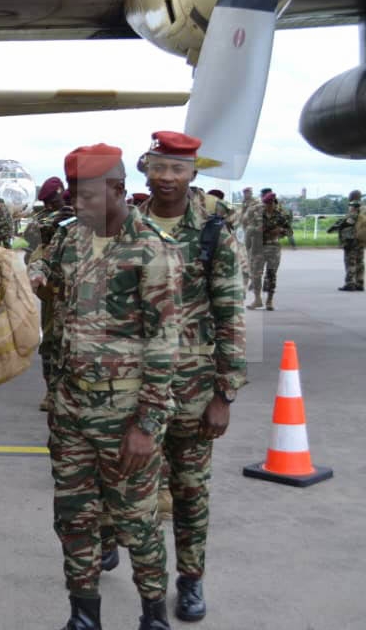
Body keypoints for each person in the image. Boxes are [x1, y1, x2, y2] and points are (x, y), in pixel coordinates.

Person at [30, 143, 182, 630]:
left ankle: (153, 615)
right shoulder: (70, 237)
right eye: (73, 194)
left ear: (118, 189)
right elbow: (43, 266)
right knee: (74, 517)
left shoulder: (151, 248)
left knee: (137, 522)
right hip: (70, 409)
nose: (77, 204)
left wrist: (147, 424)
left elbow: (164, 343)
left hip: (125, 415)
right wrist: (31, 276)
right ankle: (83, 615)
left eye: (88, 196)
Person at [137, 131, 246, 622]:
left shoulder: (212, 232)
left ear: (193, 173)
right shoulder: (130, 227)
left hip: (194, 391)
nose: (167, 177)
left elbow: (231, 317)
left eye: (177, 169)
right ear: (146, 168)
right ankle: (148, 585)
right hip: (138, 389)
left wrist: (224, 394)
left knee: (190, 491)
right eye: (159, 166)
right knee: (135, 490)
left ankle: (191, 579)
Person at [24, 177, 75, 412]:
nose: (53, 206)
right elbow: (30, 246)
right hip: (53, 290)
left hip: (82, 294)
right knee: (51, 342)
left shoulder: (90, 218)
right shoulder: (46, 220)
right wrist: (55, 225)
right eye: (49, 203)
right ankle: (51, 392)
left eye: (56, 201)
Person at [251, 191, 294, 311]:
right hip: (259, 248)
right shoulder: (258, 215)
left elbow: (290, 232)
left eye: (271, 203)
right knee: (256, 274)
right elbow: (250, 229)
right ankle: (257, 299)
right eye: (267, 204)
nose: (269, 206)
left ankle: (269, 300)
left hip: (274, 248)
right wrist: (257, 230)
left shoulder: (280, 216)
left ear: (274, 203)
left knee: (271, 275)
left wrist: (281, 231)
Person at [328, 190, 363, 291]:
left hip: (351, 239)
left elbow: (348, 221)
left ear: (351, 197)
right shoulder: (363, 207)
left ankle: (350, 283)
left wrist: (335, 227)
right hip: (361, 238)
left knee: (350, 261)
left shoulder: (354, 206)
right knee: (360, 261)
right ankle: (359, 282)